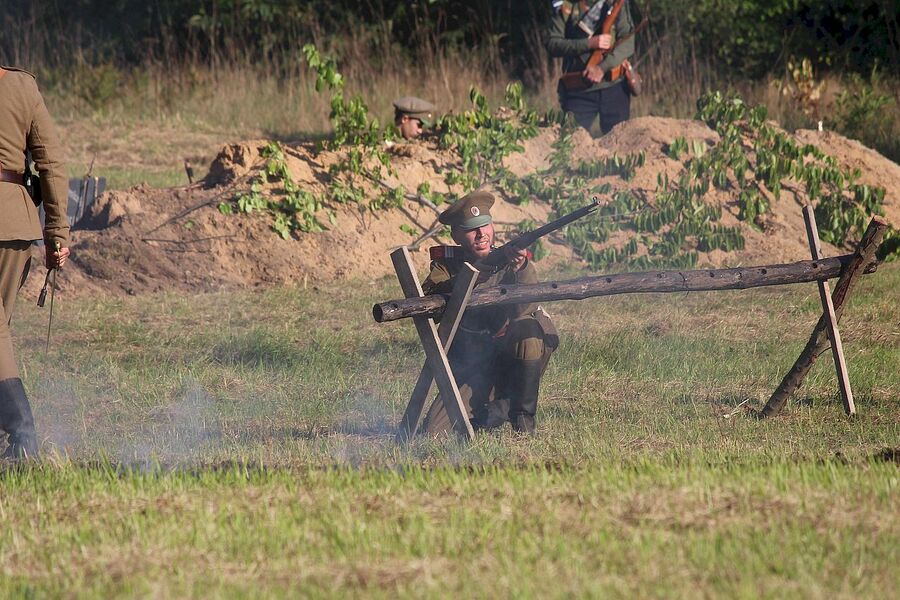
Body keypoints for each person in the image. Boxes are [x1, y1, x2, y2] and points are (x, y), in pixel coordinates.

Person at [420, 191, 558, 435]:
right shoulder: (447, 265)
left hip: (512, 357)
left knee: (529, 329)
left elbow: (526, 309)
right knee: (433, 432)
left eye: (485, 225)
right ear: (456, 235)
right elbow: (430, 297)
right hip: (473, 364)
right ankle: (495, 409)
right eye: (472, 229)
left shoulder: (509, 261)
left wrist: (521, 267)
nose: (481, 234)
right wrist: (470, 278)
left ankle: (518, 419)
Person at [0, 65, 70, 459]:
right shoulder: (23, 86)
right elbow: (51, 164)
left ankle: (22, 435)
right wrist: (56, 232)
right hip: (15, 224)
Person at [547, 0, 635, 135]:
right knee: (570, 144)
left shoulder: (617, 3)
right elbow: (553, 44)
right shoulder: (566, 5)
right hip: (579, 88)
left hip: (614, 86)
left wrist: (601, 68)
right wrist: (589, 44)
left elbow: (628, 43)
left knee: (619, 144)